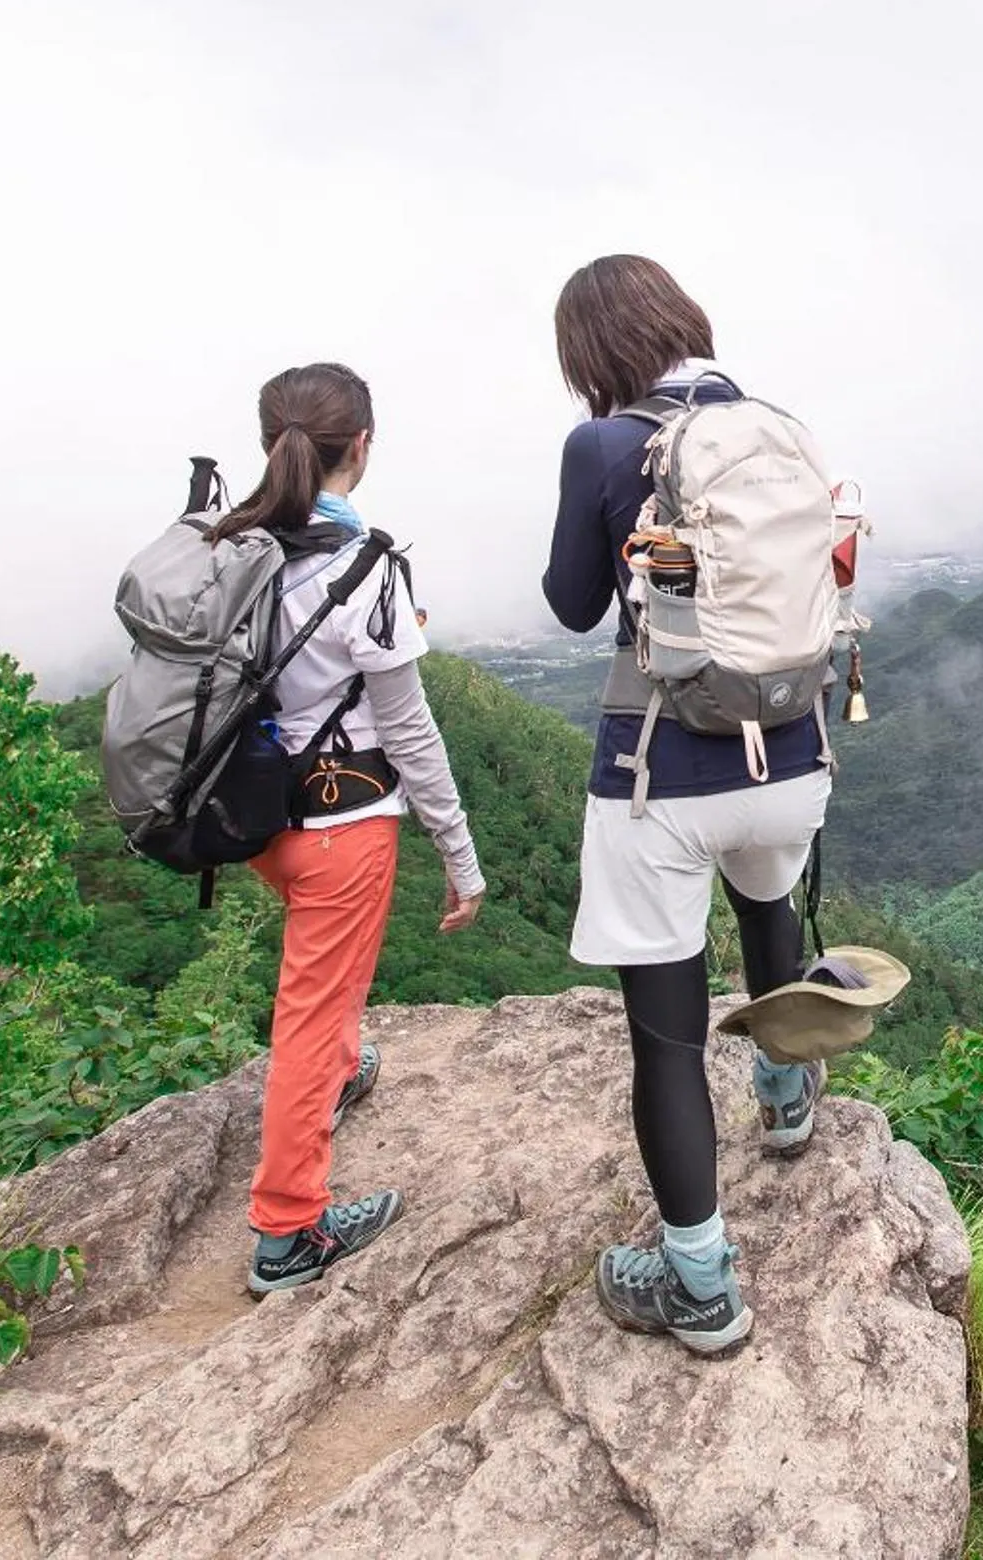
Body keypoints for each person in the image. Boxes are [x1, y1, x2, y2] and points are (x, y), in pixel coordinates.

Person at [543, 254, 830, 1354]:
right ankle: (789, 1097)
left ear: (592, 354)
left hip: (663, 775)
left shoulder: (608, 443)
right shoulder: (776, 427)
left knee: (665, 1041)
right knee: (767, 908)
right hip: (792, 759)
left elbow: (573, 606)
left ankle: (701, 1285)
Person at [213, 362, 487, 1295]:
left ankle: (334, 1072)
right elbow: (409, 729)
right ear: (360, 447)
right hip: (342, 828)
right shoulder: (365, 569)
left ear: (269, 446)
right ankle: (289, 1230)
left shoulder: (226, 548)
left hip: (254, 823)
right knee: (312, 1011)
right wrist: (459, 852)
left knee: (318, 1002)